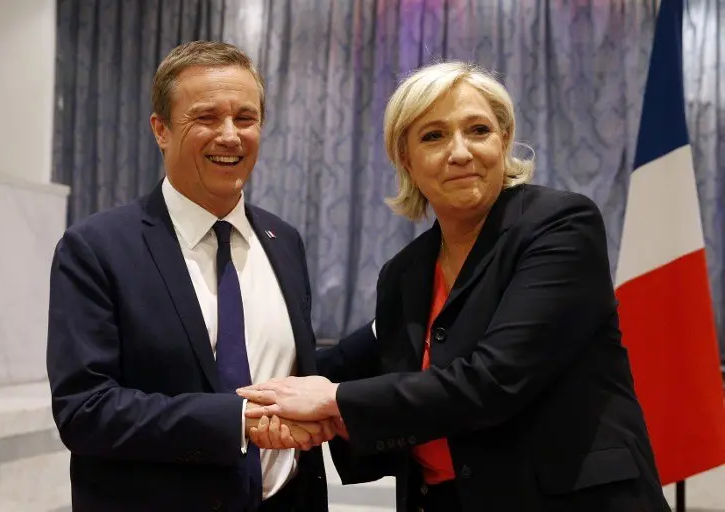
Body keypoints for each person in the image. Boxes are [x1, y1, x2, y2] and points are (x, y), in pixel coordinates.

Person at [238, 61, 671, 511]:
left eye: (478, 130)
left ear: (503, 141)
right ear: (405, 159)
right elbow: (366, 367)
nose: (460, 152)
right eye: (433, 136)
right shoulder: (405, 273)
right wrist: (265, 404)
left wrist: (332, 400)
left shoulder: (558, 226)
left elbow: (494, 381)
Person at [46, 41, 333, 512]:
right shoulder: (96, 248)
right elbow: (85, 409)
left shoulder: (284, 240)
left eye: (245, 118)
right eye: (206, 117)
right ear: (160, 129)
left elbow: (294, 370)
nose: (230, 136)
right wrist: (236, 419)